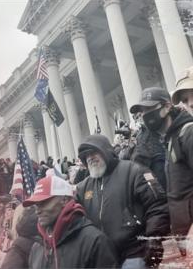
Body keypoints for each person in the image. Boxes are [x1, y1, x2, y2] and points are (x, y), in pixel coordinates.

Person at [76, 134, 170, 268]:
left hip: (135, 251)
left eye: (93, 152)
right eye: (86, 155)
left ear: (106, 151)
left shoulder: (134, 171)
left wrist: (154, 238)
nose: (90, 157)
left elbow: (157, 205)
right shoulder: (83, 188)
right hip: (103, 259)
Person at [131, 86, 193, 256]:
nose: (144, 116)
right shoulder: (169, 139)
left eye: (149, 109)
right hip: (184, 235)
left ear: (167, 107)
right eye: (141, 112)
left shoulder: (187, 134)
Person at [23, 175, 118, 268]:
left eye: (44, 203)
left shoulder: (94, 242)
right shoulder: (37, 247)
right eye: (36, 205)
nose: (37, 210)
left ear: (64, 200)